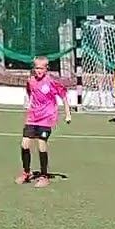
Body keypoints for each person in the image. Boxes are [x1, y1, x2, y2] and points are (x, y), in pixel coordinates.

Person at [15, 56, 72, 188]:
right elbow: (29, 91)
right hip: (33, 117)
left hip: (46, 118)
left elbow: (63, 95)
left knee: (41, 145)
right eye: (37, 68)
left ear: (47, 68)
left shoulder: (51, 82)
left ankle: (44, 176)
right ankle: (26, 173)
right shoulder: (31, 80)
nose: (39, 71)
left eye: (41, 68)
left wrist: (68, 113)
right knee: (24, 145)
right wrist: (29, 102)